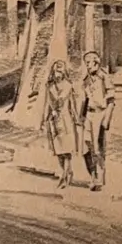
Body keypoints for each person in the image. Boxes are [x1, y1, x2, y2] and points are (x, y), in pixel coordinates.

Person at [79, 49, 116, 191]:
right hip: (88, 115)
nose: (87, 65)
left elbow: (111, 100)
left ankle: (100, 179)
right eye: (86, 63)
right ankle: (93, 176)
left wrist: (106, 119)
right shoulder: (86, 80)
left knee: (98, 148)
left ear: (96, 63)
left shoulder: (104, 77)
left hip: (100, 114)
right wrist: (81, 116)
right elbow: (85, 99)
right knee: (85, 148)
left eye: (89, 63)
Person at [41, 60, 78, 189]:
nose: (58, 74)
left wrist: (77, 118)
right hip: (54, 121)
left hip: (66, 120)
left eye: (60, 71)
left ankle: (64, 176)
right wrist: (44, 119)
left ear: (64, 72)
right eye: (56, 71)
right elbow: (47, 103)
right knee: (58, 151)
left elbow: (72, 104)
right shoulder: (49, 86)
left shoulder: (69, 86)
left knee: (67, 150)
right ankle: (68, 172)